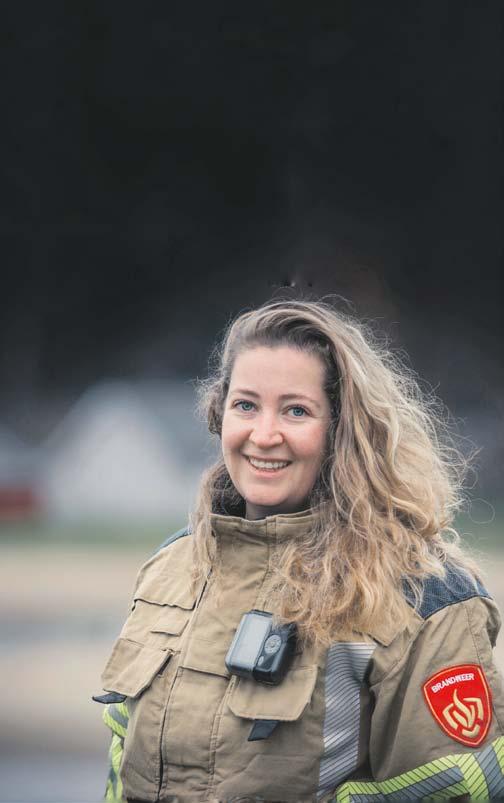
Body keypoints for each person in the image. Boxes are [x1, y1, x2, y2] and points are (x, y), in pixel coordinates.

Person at [95, 297, 504, 803]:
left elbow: (459, 787)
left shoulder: (422, 597)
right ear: (219, 414)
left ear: (342, 427)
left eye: (296, 410)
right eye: (246, 405)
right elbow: (121, 758)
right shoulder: (172, 566)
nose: (264, 435)